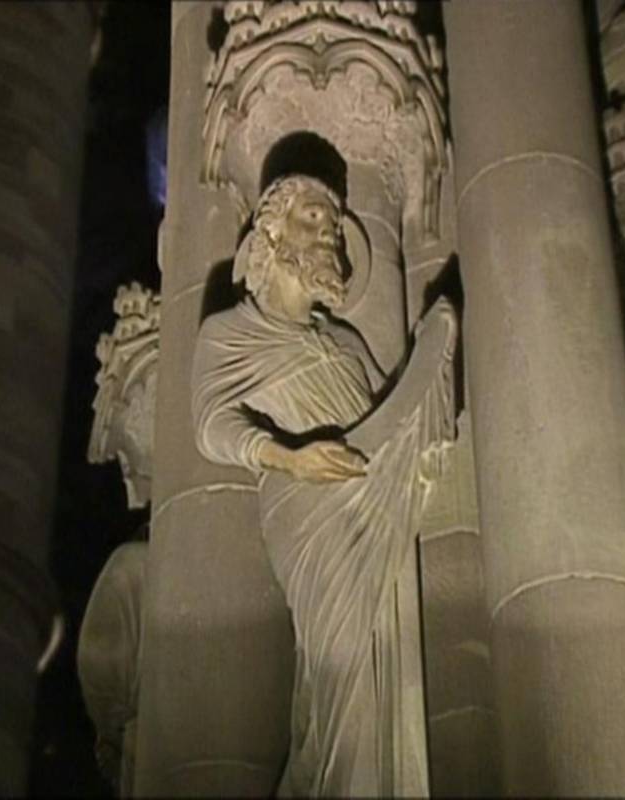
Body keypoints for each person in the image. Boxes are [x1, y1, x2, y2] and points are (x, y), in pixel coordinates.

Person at [191, 174, 456, 796]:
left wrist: (435, 352)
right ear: (272, 232)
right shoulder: (229, 332)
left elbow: (390, 414)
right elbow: (209, 424)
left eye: (334, 227)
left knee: (385, 671)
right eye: (313, 218)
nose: (329, 234)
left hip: (375, 502)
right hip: (310, 512)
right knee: (345, 680)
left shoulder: (344, 340)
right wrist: (287, 457)